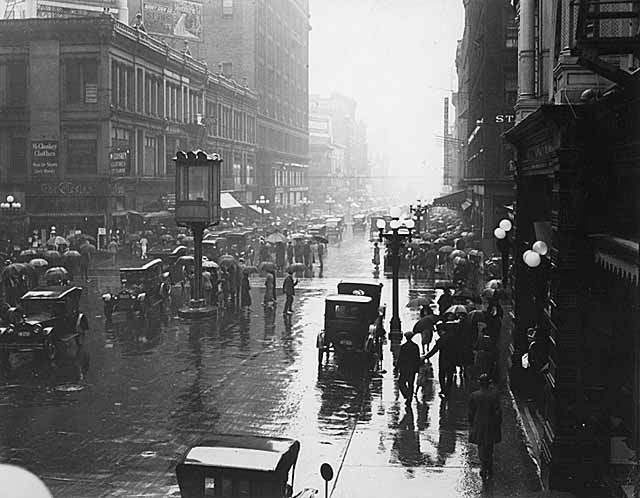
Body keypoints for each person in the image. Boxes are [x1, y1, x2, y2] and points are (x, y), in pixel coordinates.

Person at [468, 373, 502, 481]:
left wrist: (472, 423)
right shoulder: (494, 395)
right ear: (489, 384)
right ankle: (489, 467)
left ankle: (484, 465)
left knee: (481, 446)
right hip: (491, 424)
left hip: (479, 424)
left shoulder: (474, 395)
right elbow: (498, 412)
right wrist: (498, 423)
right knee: (490, 447)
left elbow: (471, 413)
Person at [424, 320, 458, 398]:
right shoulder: (452, 338)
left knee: (442, 375)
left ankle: (443, 389)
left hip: (443, 360)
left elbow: (434, 350)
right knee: (450, 375)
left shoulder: (441, 340)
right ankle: (448, 390)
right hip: (452, 359)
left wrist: (426, 357)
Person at [397, 331, 422, 405]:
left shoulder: (403, 347)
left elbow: (400, 358)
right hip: (412, 368)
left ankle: (406, 395)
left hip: (404, 368)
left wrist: (397, 367)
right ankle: (409, 397)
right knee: (411, 383)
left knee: (401, 382)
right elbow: (417, 358)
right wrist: (417, 368)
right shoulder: (415, 346)